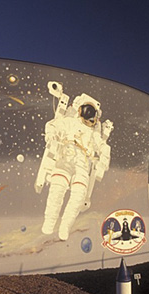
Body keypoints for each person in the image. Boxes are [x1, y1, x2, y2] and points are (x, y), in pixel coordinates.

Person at [41, 101, 112, 240]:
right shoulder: (69, 122)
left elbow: (104, 148)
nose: (92, 122)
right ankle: (49, 223)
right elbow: (51, 125)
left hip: (82, 164)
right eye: (90, 119)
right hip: (66, 158)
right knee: (57, 188)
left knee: (78, 196)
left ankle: (65, 226)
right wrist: (52, 137)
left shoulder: (94, 134)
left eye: (94, 120)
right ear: (80, 114)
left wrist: (103, 161)